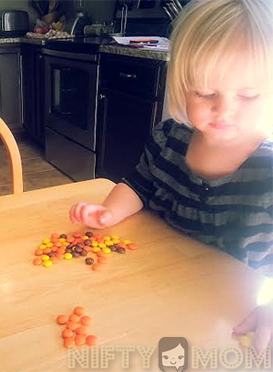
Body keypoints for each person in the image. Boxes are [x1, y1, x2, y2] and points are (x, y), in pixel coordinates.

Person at [69, 0, 273, 350]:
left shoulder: (267, 175)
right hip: (152, 288)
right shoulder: (169, 138)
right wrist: (110, 212)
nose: (224, 110)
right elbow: (138, 183)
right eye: (207, 93)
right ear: (182, 86)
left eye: (248, 95)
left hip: (224, 318)